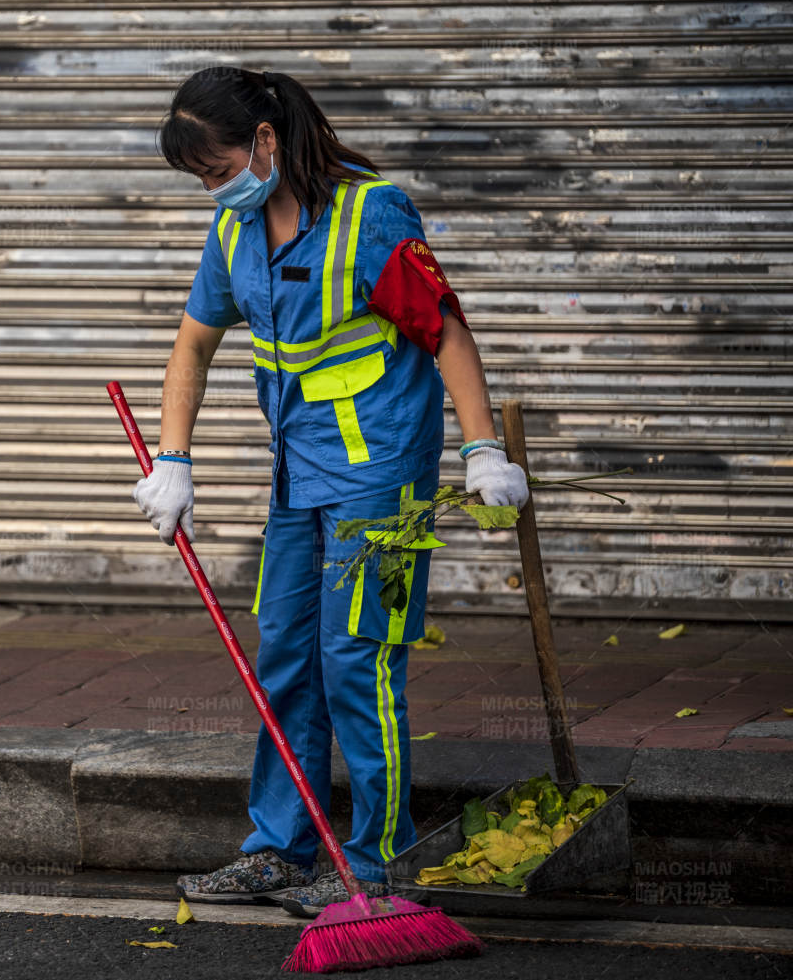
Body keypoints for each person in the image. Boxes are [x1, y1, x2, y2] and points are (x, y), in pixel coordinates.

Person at [132, 67, 529, 913]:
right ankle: (280, 850)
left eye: (218, 170)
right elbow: (193, 345)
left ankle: (377, 863)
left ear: (265, 141)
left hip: (387, 483)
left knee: (360, 658)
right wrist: (174, 459)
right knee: (285, 655)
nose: (214, 190)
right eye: (201, 179)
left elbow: (446, 332)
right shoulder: (234, 230)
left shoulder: (370, 214)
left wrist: (483, 450)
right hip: (297, 479)